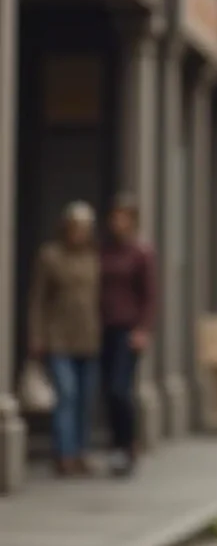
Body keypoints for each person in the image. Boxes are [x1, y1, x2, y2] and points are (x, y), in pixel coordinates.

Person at [27, 202, 101, 477]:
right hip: (58, 337)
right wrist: (37, 336)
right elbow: (38, 300)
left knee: (84, 399)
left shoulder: (93, 258)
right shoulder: (50, 256)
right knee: (66, 395)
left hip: (88, 338)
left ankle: (81, 451)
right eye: (74, 227)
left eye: (83, 228)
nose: (78, 233)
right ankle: (64, 453)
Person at [99, 194, 157, 477]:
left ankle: (127, 444)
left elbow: (149, 296)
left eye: (123, 217)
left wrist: (143, 330)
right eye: (114, 217)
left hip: (128, 330)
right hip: (103, 329)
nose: (117, 222)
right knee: (108, 390)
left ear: (132, 220)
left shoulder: (141, 253)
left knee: (120, 389)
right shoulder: (106, 251)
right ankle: (115, 445)